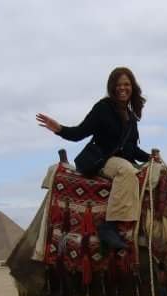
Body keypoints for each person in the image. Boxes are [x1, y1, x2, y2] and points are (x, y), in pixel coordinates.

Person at [36, 67, 150, 249]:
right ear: (112, 87)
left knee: (154, 174)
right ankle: (110, 226)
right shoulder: (102, 108)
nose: (123, 88)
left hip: (125, 159)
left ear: (132, 87)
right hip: (104, 161)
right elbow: (79, 132)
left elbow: (131, 148)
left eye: (126, 84)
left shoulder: (131, 116)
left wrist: (151, 158)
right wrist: (59, 129)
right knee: (127, 172)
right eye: (118, 84)